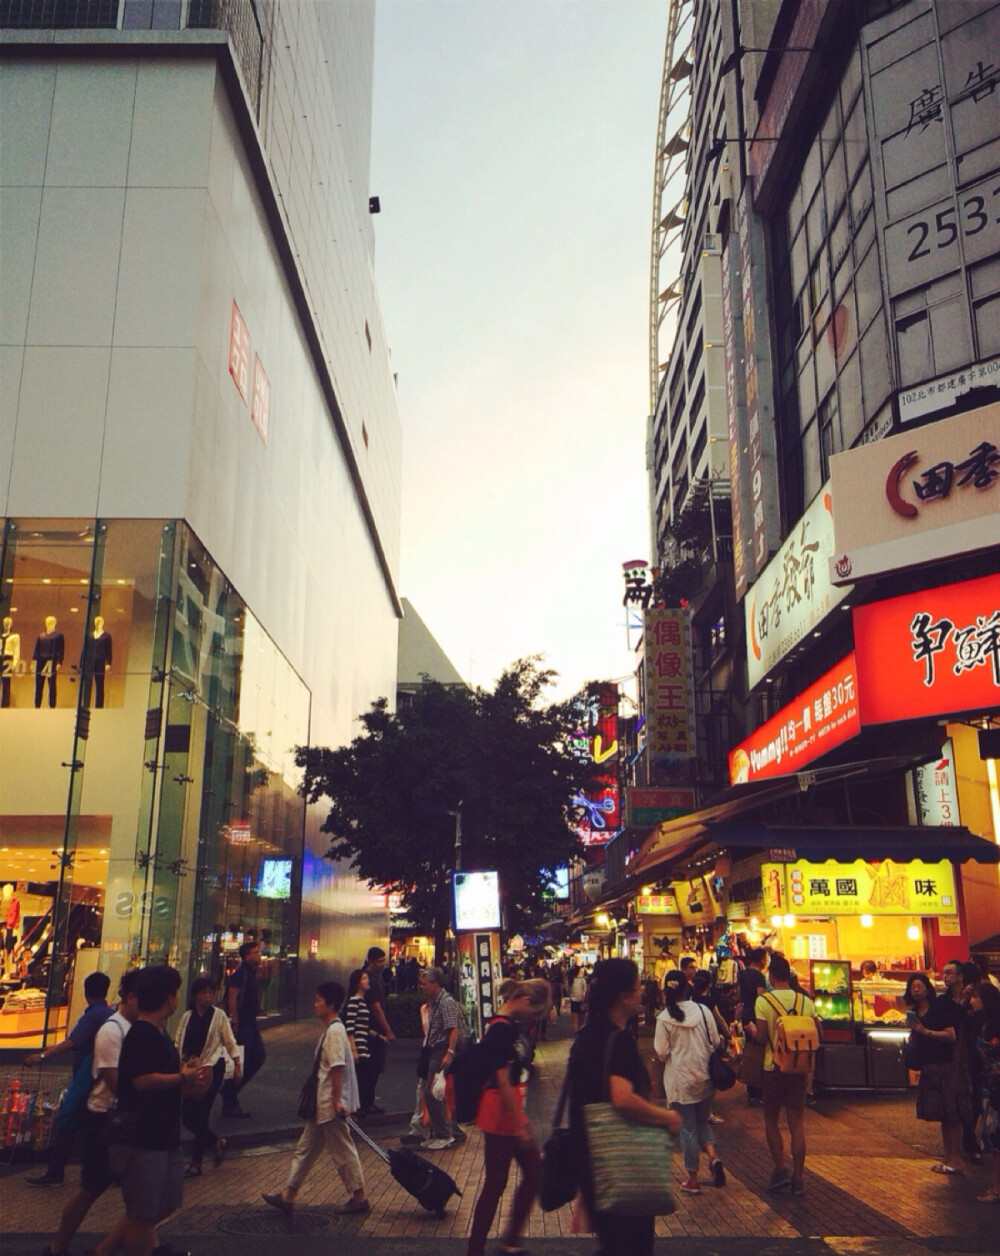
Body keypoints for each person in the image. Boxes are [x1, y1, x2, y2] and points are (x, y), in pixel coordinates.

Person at [566, 958, 683, 1256]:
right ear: (623, 995)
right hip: (624, 1164)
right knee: (633, 1246)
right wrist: (666, 1116)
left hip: (595, 1161)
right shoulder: (617, 1039)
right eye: (637, 985)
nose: (642, 990)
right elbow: (622, 1098)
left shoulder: (586, 1037)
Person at [112, 965, 212, 1256]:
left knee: (165, 1203)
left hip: (165, 1132)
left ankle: (109, 1249)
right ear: (168, 996)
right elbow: (141, 1081)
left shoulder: (158, 1032)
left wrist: (188, 1083)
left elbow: (162, 1081)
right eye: (176, 991)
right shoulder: (141, 1033)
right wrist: (183, 1078)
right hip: (144, 1137)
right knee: (143, 1216)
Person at [41, 969, 141, 1256]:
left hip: (116, 1116)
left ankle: (110, 1248)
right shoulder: (113, 1027)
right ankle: (63, 1247)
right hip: (103, 1116)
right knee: (94, 1184)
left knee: (140, 1190)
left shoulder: (131, 1025)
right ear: (131, 996)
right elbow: (115, 1082)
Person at [261, 981, 369, 1216]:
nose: (315, 1004)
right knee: (306, 1149)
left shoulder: (335, 1032)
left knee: (341, 1150)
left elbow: (337, 1067)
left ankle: (359, 1196)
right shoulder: (332, 1029)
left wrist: (336, 1100)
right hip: (321, 1104)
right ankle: (289, 1194)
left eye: (319, 1000)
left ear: (330, 1003)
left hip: (329, 1104)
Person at [465, 978, 550, 1256]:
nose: (535, 1018)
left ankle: (504, 1242)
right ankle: (484, 1247)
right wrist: (520, 1122)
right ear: (525, 1000)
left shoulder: (507, 1026)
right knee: (497, 1182)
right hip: (501, 1113)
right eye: (536, 1012)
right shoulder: (501, 1029)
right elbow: (502, 1079)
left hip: (508, 1111)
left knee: (522, 1175)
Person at [26, 970, 115, 1186]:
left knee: (67, 1117)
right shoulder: (109, 1014)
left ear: (86, 992)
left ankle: (56, 1172)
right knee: (88, 1122)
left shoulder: (92, 1016)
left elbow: (72, 1042)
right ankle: (96, 1170)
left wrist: (41, 1056)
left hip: (87, 1072)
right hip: (101, 1075)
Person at [654, 969, 725, 1195]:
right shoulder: (703, 1011)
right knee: (702, 1121)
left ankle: (693, 1179)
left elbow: (661, 1052)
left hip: (680, 1081)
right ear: (688, 988)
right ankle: (712, 1156)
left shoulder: (664, 1018)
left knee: (688, 1128)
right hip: (705, 1078)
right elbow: (715, 1041)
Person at [754, 951, 817, 1196]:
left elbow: (760, 1037)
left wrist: (751, 1030)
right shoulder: (805, 1001)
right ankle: (798, 1179)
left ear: (770, 975)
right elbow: (816, 1030)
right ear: (789, 975)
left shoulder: (763, 1002)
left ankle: (780, 1168)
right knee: (797, 1123)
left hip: (773, 1066)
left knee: (771, 1119)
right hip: (799, 1067)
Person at [173, 976, 242, 1175]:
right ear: (195, 995)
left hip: (212, 1068)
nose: (207, 997)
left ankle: (196, 1163)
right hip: (190, 1069)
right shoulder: (187, 1017)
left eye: (210, 993)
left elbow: (229, 1041)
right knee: (187, 1117)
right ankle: (216, 1142)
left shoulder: (218, 1016)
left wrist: (237, 1064)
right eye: (203, 993)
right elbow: (179, 1042)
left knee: (202, 1113)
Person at [904, 969, 965, 1175]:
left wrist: (926, 1032)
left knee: (950, 1113)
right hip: (928, 1066)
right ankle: (948, 1157)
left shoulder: (938, 1008)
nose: (916, 989)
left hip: (944, 1065)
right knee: (941, 1113)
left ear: (928, 988)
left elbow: (951, 1035)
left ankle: (956, 1158)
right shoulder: (915, 1011)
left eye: (919, 985)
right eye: (912, 987)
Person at [417, 966, 465, 1149]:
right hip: (435, 1051)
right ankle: (452, 1132)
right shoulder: (437, 1002)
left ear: (435, 984)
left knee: (432, 1093)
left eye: (425, 984)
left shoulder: (446, 1002)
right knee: (438, 1092)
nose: (423, 987)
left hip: (441, 1051)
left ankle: (444, 1134)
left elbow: (453, 1028)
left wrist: (449, 1053)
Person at [220, 941, 265, 1118]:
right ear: (247, 956)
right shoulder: (241, 974)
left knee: (256, 1057)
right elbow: (232, 998)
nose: (259, 955)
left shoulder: (251, 973)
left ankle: (230, 1093)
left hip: (250, 1023)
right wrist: (235, 1022)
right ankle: (230, 1098)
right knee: (242, 1061)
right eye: (256, 952)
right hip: (243, 1024)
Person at [970, 982, 1000, 1203]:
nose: (972, 1001)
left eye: (976, 997)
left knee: (996, 1139)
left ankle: (997, 1188)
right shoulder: (981, 1023)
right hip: (991, 1087)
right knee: (993, 1138)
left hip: (996, 1086)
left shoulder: (995, 1025)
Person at [362, 946, 395, 1113]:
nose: (383, 964)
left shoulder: (377, 977)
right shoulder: (369, 979)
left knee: (375, 1068)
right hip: (371, 1030)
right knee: (371, 1067)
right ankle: (365, 1103)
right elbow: (376, 1007)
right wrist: (387, 1029)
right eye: (380, 961)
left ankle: (368, 1101)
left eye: (384, 961)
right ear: (371, 961)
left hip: (374, 1029)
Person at [344, 968, 379, 1115]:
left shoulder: (362, 1001)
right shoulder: (354, 1001)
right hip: (358, 1046)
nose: (368, 981)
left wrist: (378, 1035)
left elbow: (362, 1026)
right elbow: (350, 1026)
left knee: (365, 1077)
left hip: (362, 1045)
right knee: (363, 1077)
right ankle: (357, 1108)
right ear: (357, 983)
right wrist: (353, 1049)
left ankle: (361, 1106)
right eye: (364, 979)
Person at [738, 947, 768, 1107]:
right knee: (759, 1052)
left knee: (750, 1051)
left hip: (746, 1014)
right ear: (761, 959)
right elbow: (761, 997)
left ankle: (751, 1089)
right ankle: (757, 1090)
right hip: (757, 1016)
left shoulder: (742, 973)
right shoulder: (759, 976)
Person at [569, 964, 587, 1034]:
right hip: (581, 1000)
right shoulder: (582, 979)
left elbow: (569, 990)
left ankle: (575, 1034)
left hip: (573, 1000)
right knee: (581, 1020)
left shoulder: (571, 979)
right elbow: (585, 990)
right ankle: (580, 1034)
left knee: (575, 1020)